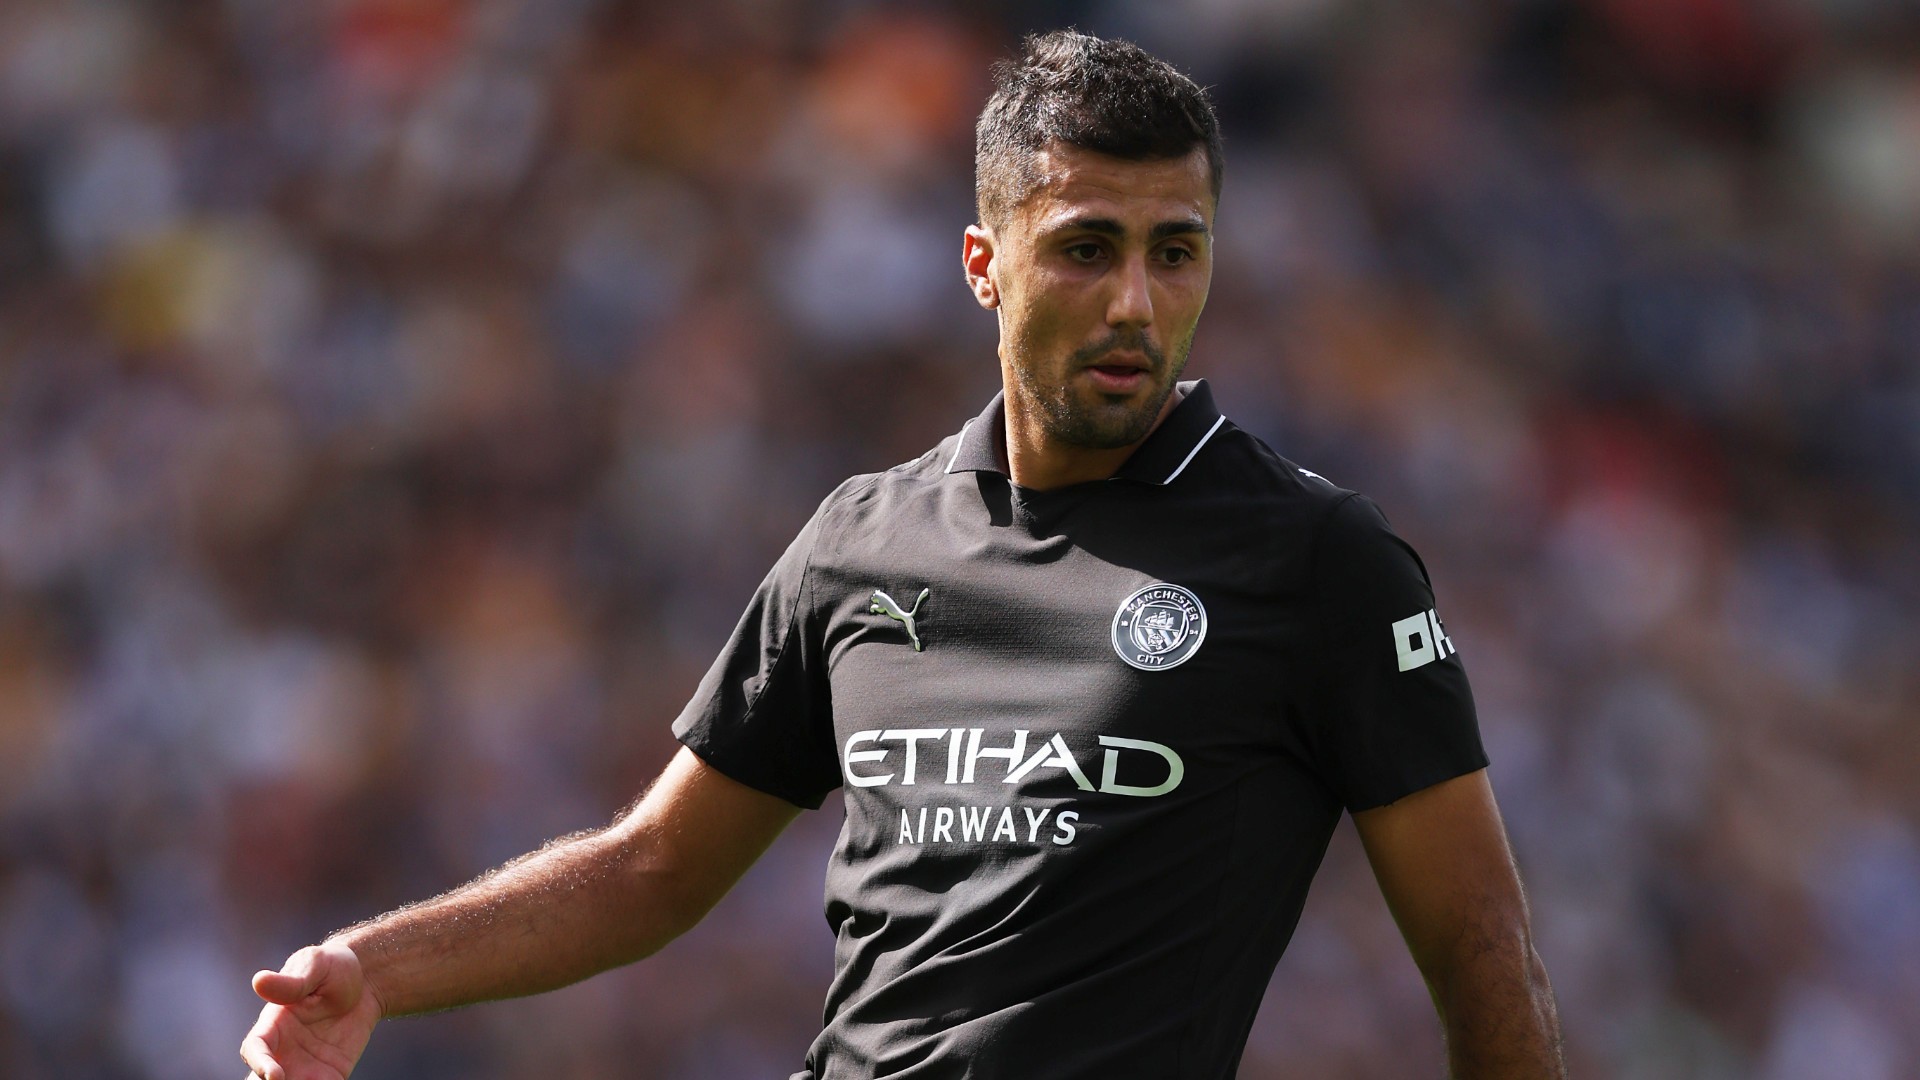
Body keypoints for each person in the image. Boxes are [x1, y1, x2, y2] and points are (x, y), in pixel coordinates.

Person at [241, 30, 1565, 1080]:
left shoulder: (1316, 560)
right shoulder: (861, 542)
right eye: (1086, 249)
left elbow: (1481, 947)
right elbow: (652, 868)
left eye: (1176, 253)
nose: (1135, 302)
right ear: (986, 264)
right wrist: (375, 967)